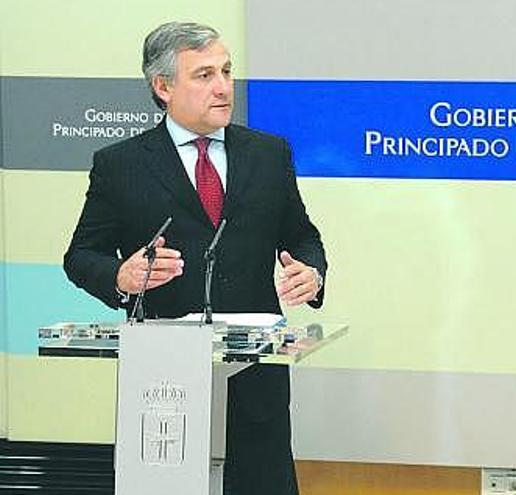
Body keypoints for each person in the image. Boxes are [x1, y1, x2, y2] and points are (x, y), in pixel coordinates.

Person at [63, 21, 326, 495]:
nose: (223, 87)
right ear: (162, 87)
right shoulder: (120, 164)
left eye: (226, 71)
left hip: (255, 375)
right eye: (204, 75)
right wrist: (121, 276)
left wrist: (311, 272)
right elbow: (81, 255)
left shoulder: (268, 154)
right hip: (163, 379)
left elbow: (303, 238)